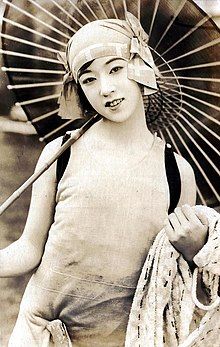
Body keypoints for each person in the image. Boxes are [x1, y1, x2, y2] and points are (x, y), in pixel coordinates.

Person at [0, 12, 209, 347]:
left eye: (115, 69)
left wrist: (195, 250)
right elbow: (28, 249)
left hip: (120, 338)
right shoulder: (63, 152)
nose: (106, 88)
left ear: (141, 67)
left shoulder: (176, 170)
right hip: (41, 330)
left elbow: (175, 278)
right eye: (89, 79)